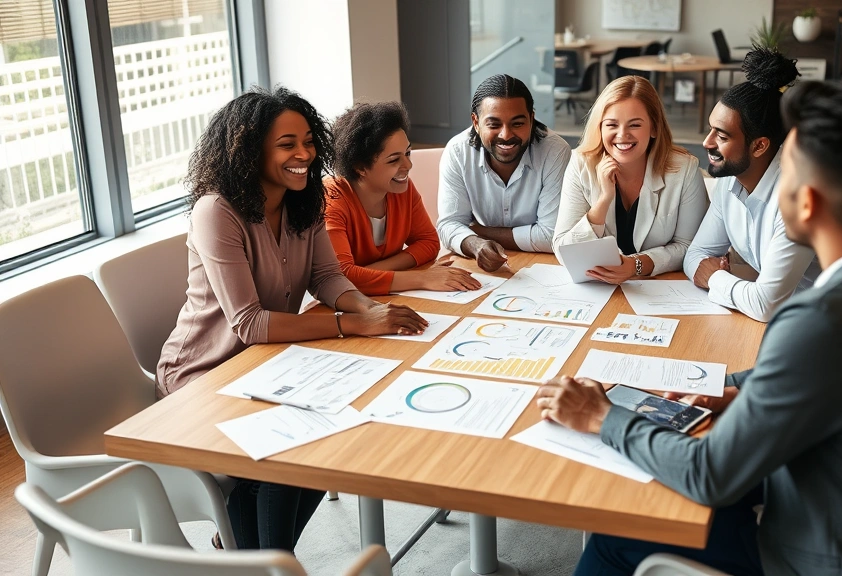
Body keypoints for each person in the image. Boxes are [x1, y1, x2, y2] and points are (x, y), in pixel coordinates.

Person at [536, 82, 842, 576]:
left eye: (783, 174)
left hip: (826, 552)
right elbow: (838, 373)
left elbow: (709, 476)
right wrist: (723, 387)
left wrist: (601, 416)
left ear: (807, 203)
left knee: (616, 531)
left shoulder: (821, 322)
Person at [157, 87, 428, 552]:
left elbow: (326, 276)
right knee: (293, 447)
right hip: (206, 373)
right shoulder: (216, 211)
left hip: (271, 363)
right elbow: (249, 323)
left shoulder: (303, 200)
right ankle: (269, 558)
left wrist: (369, 308)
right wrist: (351, 325)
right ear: (249, 150)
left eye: (308, 140)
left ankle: (252, 550)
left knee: (335, 434)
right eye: (287, 145)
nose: (304, 154)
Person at [683, 47, 819, 322]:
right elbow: (695, 255)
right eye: (710, 130)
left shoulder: (796, 197)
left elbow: (766, 305)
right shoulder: (729, 181)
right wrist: (733, 286)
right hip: (791, 319)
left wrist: (716, 278)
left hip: (833, 324)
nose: (707, 142)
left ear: (759, 146)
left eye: (721, 135)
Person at [553, 75, 708, 283]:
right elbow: (563, 250)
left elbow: (689, 246)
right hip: (597, 287)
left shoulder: (685, 170)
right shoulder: (581, 163)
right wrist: (603, 201)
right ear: (600, 127)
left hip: (658, 286)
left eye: (634, 125)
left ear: (654, 128)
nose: (622, 135)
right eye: (611, 125)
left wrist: (636, 265)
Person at [324, 101, 481, 296]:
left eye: (407, 153)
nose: (408, 164)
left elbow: (429, 243)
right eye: (394, 160)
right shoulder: (332, 199)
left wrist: (372, 272)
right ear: (359, 167)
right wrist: (422, 278)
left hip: (382, 298)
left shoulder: (400, 188)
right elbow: (340, 278)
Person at [436, 74, 571, 272]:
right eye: (494, 124)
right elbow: (448, 226)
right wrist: (476, 244)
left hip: (544, 267)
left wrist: (477, 232)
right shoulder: (457, 151)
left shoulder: (555, 151)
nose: (506, 135)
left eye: (517, 123)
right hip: (483, 268)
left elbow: (552, 236)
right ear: (476, 122)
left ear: (531, 119)